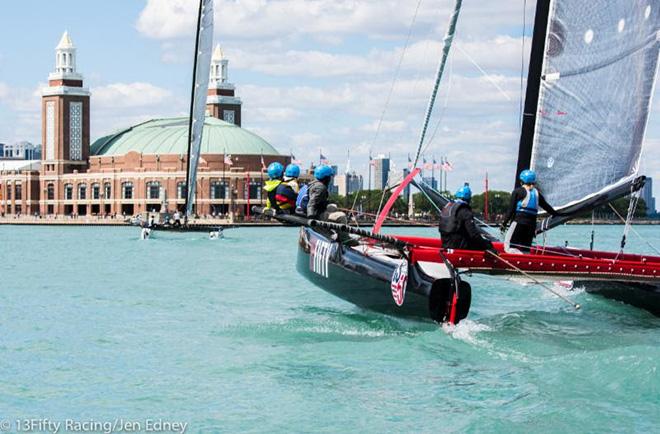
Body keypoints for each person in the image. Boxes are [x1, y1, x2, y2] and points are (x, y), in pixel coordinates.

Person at [501, 169, 560, 253]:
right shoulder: (537, 194)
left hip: (519, 223)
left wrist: (504, 224)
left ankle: (518, 257)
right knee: (526, 248)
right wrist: (557, 214)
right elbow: (547, 207)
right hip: (531, 226)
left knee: (508, 246)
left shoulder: (517, 191)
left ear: (521, 181)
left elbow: (510, 210)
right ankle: (525, 260)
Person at [439, 184, 497, 254]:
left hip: (445, 244)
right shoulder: (465, 211)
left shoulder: (448, 207)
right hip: (458, 246)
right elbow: (473, 234)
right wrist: (487, 245)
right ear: (469, 199)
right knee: (486, 245)